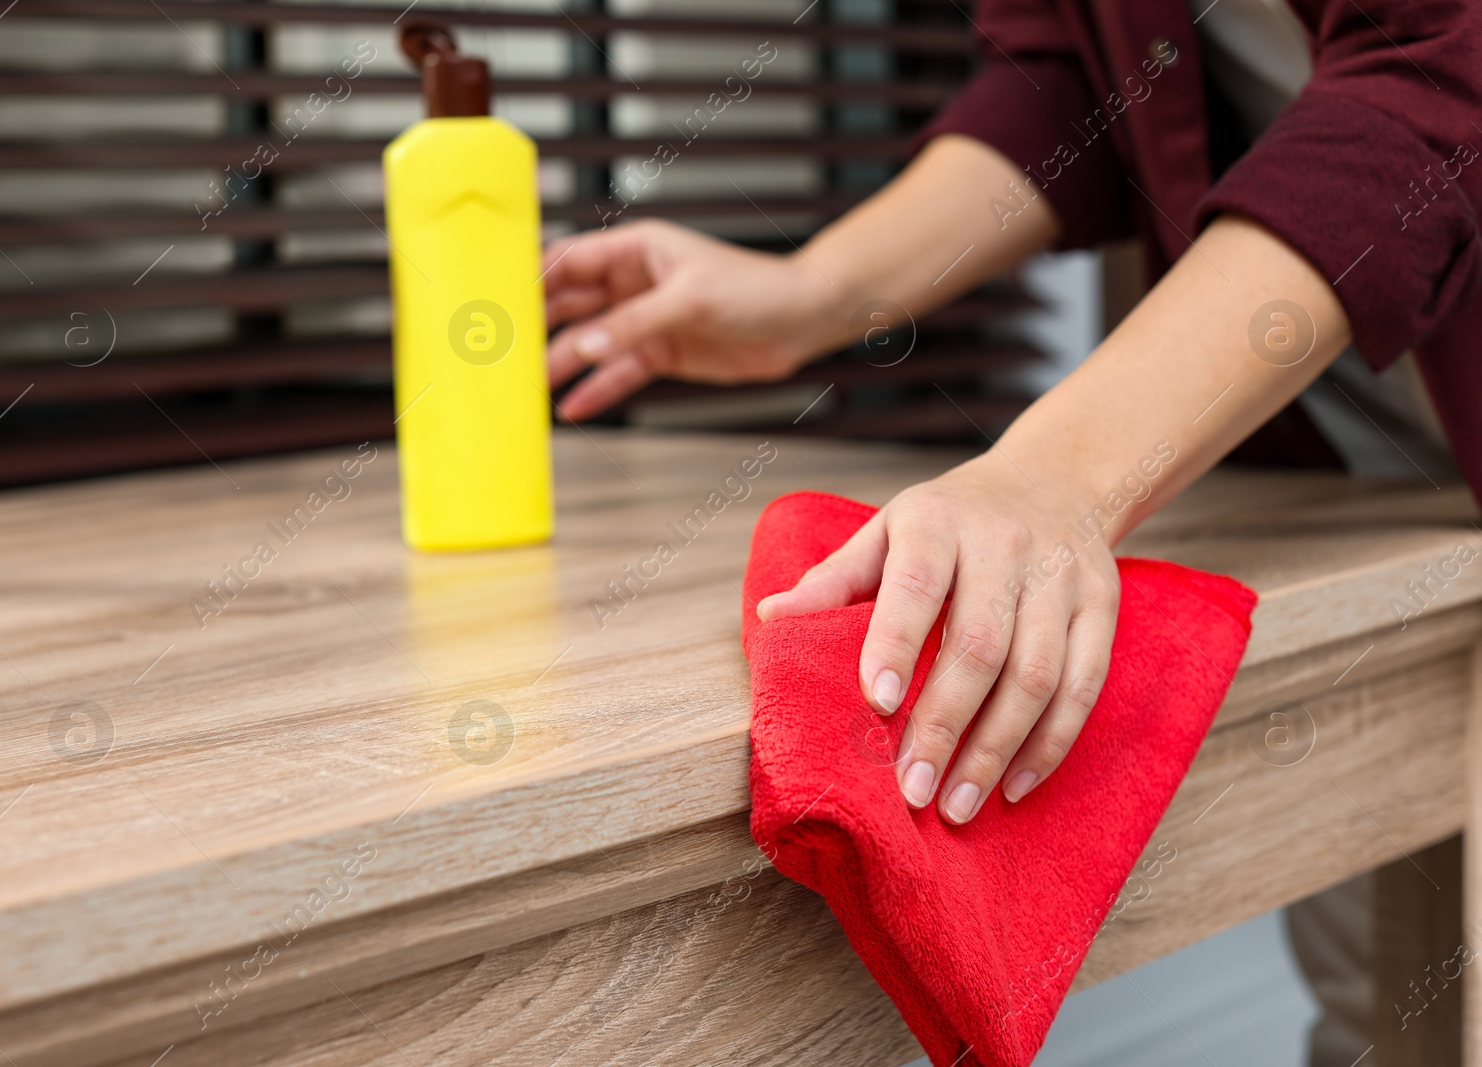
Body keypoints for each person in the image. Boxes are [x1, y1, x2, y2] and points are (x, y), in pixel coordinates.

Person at [544, 3, 1477, 1057]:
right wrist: (809, 293)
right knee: (1385, 1014)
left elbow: (1439, 75)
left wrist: (1057, 477)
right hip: (1352, 487)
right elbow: (1076, 82)